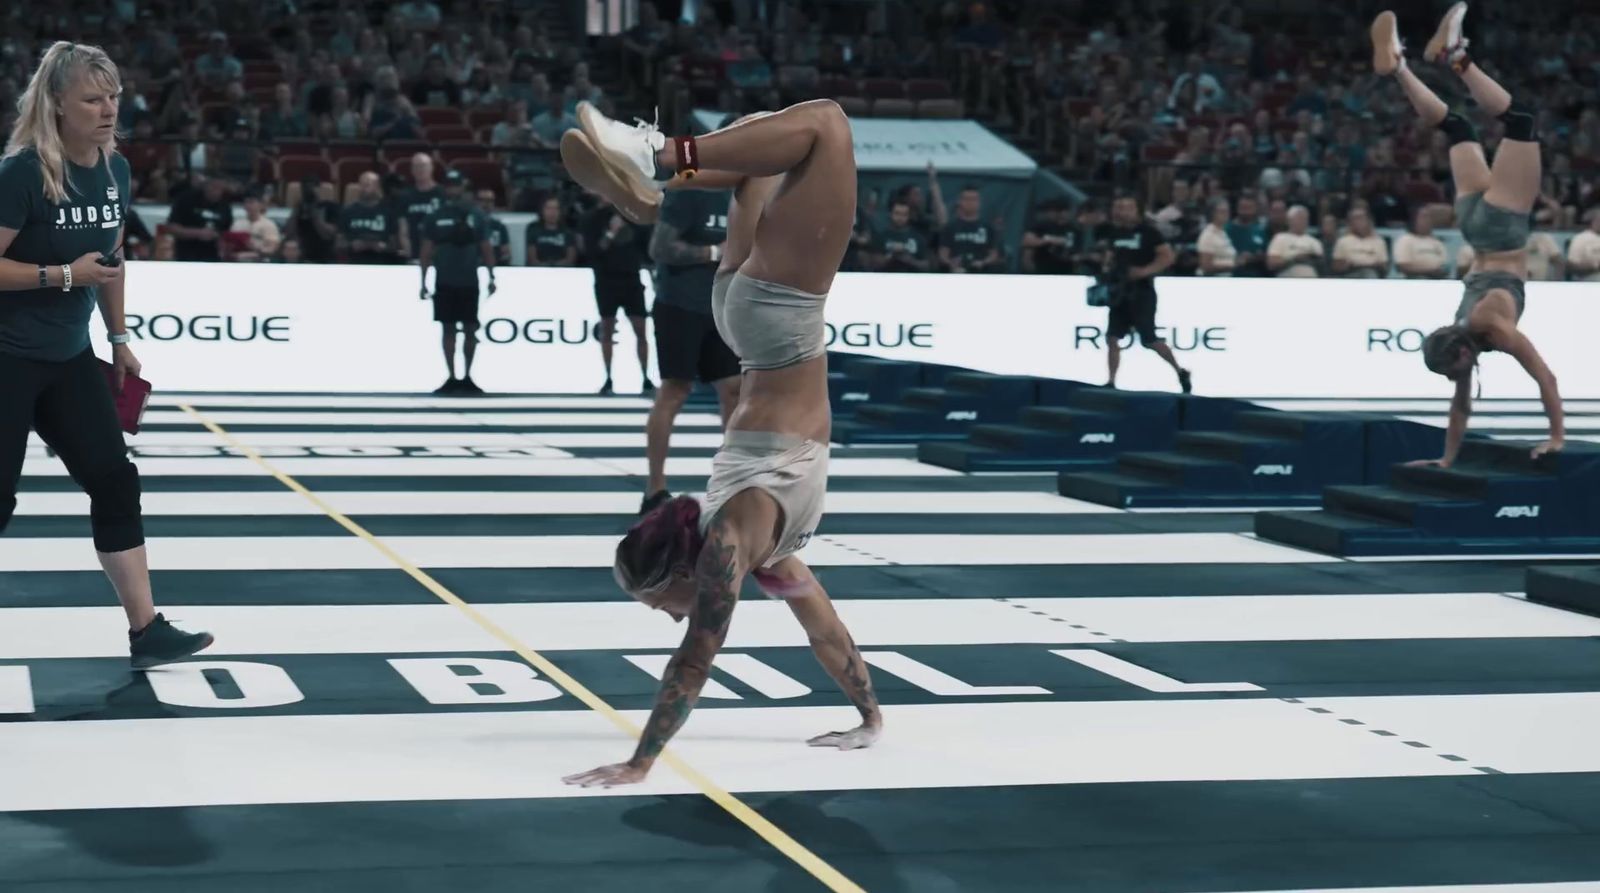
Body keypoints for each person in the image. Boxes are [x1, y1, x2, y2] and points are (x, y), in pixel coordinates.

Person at [558, 101, 882, 789]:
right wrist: (869, 717)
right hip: (739, 312)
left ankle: (658, 161)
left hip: (774, 317)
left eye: (661, 603)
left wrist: (640, 760)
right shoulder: (772, 554)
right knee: (763, 148)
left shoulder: (733, 542)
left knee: (824, 125)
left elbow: (695, 657)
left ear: (682, 571)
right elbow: (826, 632)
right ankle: (661, 184)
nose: (672, 615)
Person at [0, 41, 213, 668]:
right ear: (57, 104)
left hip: (68, 358)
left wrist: (118, 340)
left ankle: (147, 631)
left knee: (115, 479)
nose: (108, 109)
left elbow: (112, 264)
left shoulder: (114, 171)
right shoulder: (22, 173)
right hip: (6, 358)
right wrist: (64, 275)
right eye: (92, 98)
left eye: (114, 96)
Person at [1371, 3, 1563, 466]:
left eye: (1454, 370)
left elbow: (1546, 378)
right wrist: (1446, 460)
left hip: (1502, 230)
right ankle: (1398, 68)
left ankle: (1457, 58)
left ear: (1459, 350)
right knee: (1458, 127)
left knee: (1521, 123)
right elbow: (1460, 406)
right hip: (1473, 226)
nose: (1460, 377)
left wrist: (1557, 437)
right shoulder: (1458, 337)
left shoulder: (1489, 329)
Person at [636, 147, 741, 515]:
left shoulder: (746, 191)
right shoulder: (688, 186)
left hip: (722, 306)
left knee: (733, 390)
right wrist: (716, 252)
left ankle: (733, 484)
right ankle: (654, 489)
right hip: (679, 304)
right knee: (674, 391)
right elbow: (660, 247)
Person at [1095, 193, 1191, 393]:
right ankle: (1111, 381)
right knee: (1112, 336)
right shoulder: (1113, 232)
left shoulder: (1149, 232)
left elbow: (1167, 257)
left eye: (1127, 207)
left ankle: (1180, 370)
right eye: (1119, 207)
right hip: (1119, 289)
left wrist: (1145, 271)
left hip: (1142, 291)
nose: (1122, 211)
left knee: (1149, 339)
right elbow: (1110, 256)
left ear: (1137, 210)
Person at [418, 168, 495, 394]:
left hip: (469, 279)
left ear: (463, 187)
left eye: (456, 185)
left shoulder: (477, 215)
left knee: (471, 328)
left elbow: (486, 248)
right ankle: (451, 376)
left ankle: (468, 376)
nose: (453, 189)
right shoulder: (436, 216)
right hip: (445, 279)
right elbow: (426, 251)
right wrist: (423, 281)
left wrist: (492, 276)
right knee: (448, 328)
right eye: (450, 185)